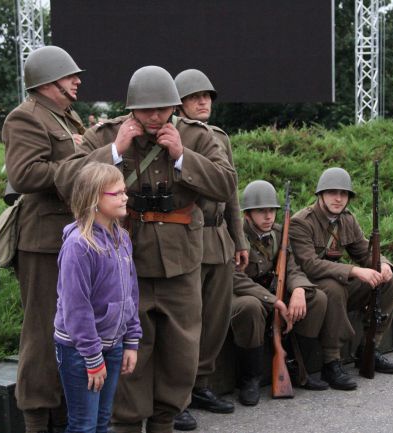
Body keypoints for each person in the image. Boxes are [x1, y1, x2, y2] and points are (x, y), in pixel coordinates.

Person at [54, 65, 236, 433]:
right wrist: (113, 151)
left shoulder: (197, 137)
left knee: (181, 355)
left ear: (174, 105)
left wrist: (184, 155)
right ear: (132, 107)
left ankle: (165, 422)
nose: (155, 116)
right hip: (124, 264)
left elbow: (226, 184)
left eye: (163, 108)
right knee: (129, 357)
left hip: (182, 264)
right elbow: (66, 182)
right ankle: (126, 425)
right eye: (146, 109)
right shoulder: (107, 134)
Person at [2, 45, 85, 433]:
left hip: (71, 237)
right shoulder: (26, 118)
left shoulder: (66, 116)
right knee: (41, 333)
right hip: (42, 242)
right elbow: (24, 175)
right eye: (71, 76)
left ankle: (63, 413)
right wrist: (81, 165)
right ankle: (36, 418)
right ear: (49, 81)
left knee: (71, 328)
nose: (77, 81)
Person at [172, 69, 247, 430]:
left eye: (207, 96)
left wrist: (240, 239)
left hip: (218, 240)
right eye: (195, 96)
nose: (203, 102)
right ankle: (177, 397)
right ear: (180, 102)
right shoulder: (171, 135)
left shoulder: (218, 136)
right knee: (186, 324)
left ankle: (201, 384)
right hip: (185, 236)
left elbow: (230, 192)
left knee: (215, 321)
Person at [289, 167, 393, 391]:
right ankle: (331, 361)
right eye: (332, 192)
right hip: (311, 287)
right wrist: (354, 271)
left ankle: (370, 347)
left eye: (344, 194)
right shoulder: (302, 222)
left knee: (389, 282)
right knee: (334, 287)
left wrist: (384, 264)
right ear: (320, 194)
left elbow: (363, 251)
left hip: (336, 281)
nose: (338, 198)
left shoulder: (347, 219)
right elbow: (309, 264)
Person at [54, 162, 142, 433]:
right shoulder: (79, 246)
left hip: (113, 346)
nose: (125, 197)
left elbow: (131, 292)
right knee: (83, 425)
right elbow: (76, 309)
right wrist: (92, 358)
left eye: (124, 191)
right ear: (93, 199)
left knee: (102, 422)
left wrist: (131, 340)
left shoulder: (122, 238)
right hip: (80, 351)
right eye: (116, 193)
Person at [231, 180, 329, 406]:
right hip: (245, 295)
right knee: (250, 306)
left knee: (317, 298)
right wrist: (273, 300)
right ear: (247, 214)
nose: (268, 216)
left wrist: (299, 290)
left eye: (272, 211)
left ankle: (299, 369)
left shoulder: (278, 233)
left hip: (274, 293)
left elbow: (292, 267)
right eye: (261, 211)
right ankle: (250, 379)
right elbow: (234, 277)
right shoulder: (236, 236)